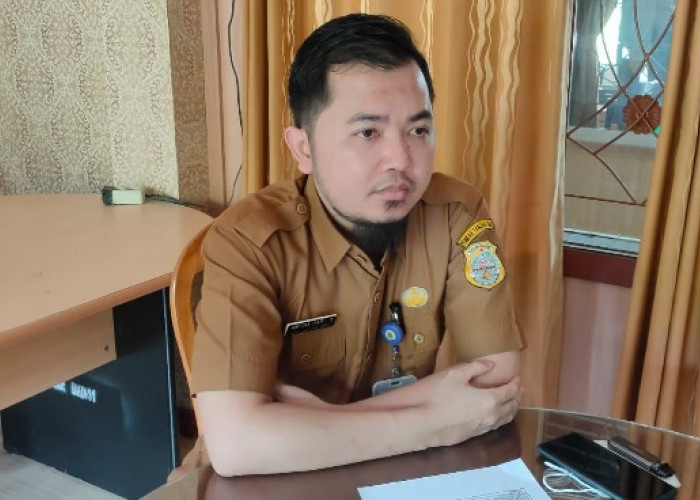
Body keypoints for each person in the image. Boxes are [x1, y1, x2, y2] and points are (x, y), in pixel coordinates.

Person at [190, 12, 524, 477]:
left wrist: (316, 421)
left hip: (394, 470)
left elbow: (496, 382)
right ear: (303, 148)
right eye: (368, 133)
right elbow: (237, 446)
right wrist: (432, 422)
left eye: (418, 130)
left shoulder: (456, 214)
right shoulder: (247, 240)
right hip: (271, 480)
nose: (401, 159)